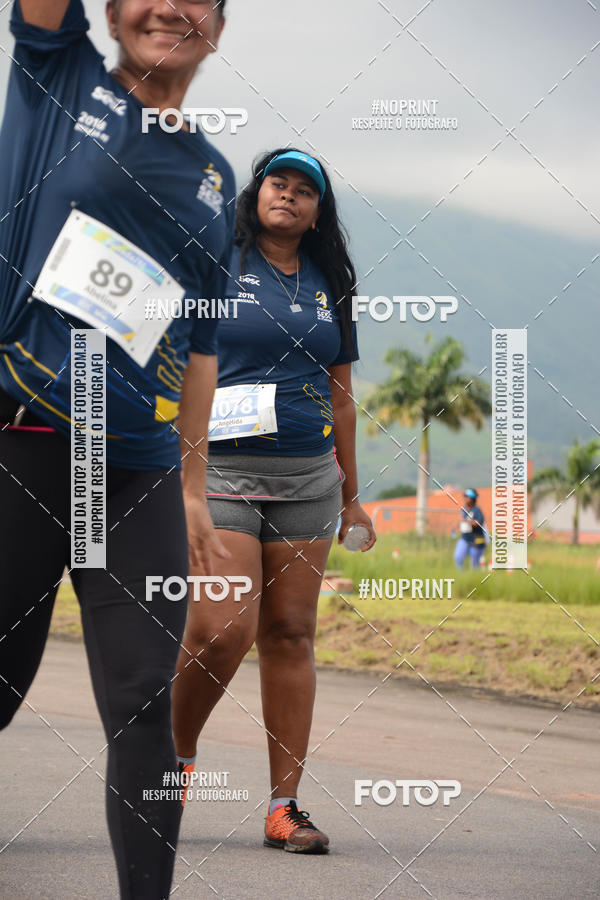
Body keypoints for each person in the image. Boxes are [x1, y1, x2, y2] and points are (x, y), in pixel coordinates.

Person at [0, 1, 234, 897]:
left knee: (144, 700)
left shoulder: (213, 176)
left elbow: (202, 344)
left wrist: (190, 482)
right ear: (106, 10)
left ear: (218, 27)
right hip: (24, 435)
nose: (167, 7)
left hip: (133, 465)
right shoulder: (58, 75)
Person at [172, 148, 376, 855]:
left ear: (319, 211)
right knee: (222, 630)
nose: (287, 195)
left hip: (307, 481)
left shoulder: (330, 284)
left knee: (291, 635)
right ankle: (173, 760)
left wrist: (353, 497)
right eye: (277, 183)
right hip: (220, 474)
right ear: (256, 193)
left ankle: (284, 807)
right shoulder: (213, 261)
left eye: (304, 190)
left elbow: (343, 396)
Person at [454, 488, 487, 569]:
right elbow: (460, 521)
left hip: (476, 540)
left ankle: (476, 580)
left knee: (475, 563)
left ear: (473, 499)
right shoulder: (464, 509)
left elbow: (480, 523)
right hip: (465, 538)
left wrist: (467, 522)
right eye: (464, 496)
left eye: (467, 497)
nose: (465, 498)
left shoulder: (477, 510)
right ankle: (461, 577)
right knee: (458, 557)